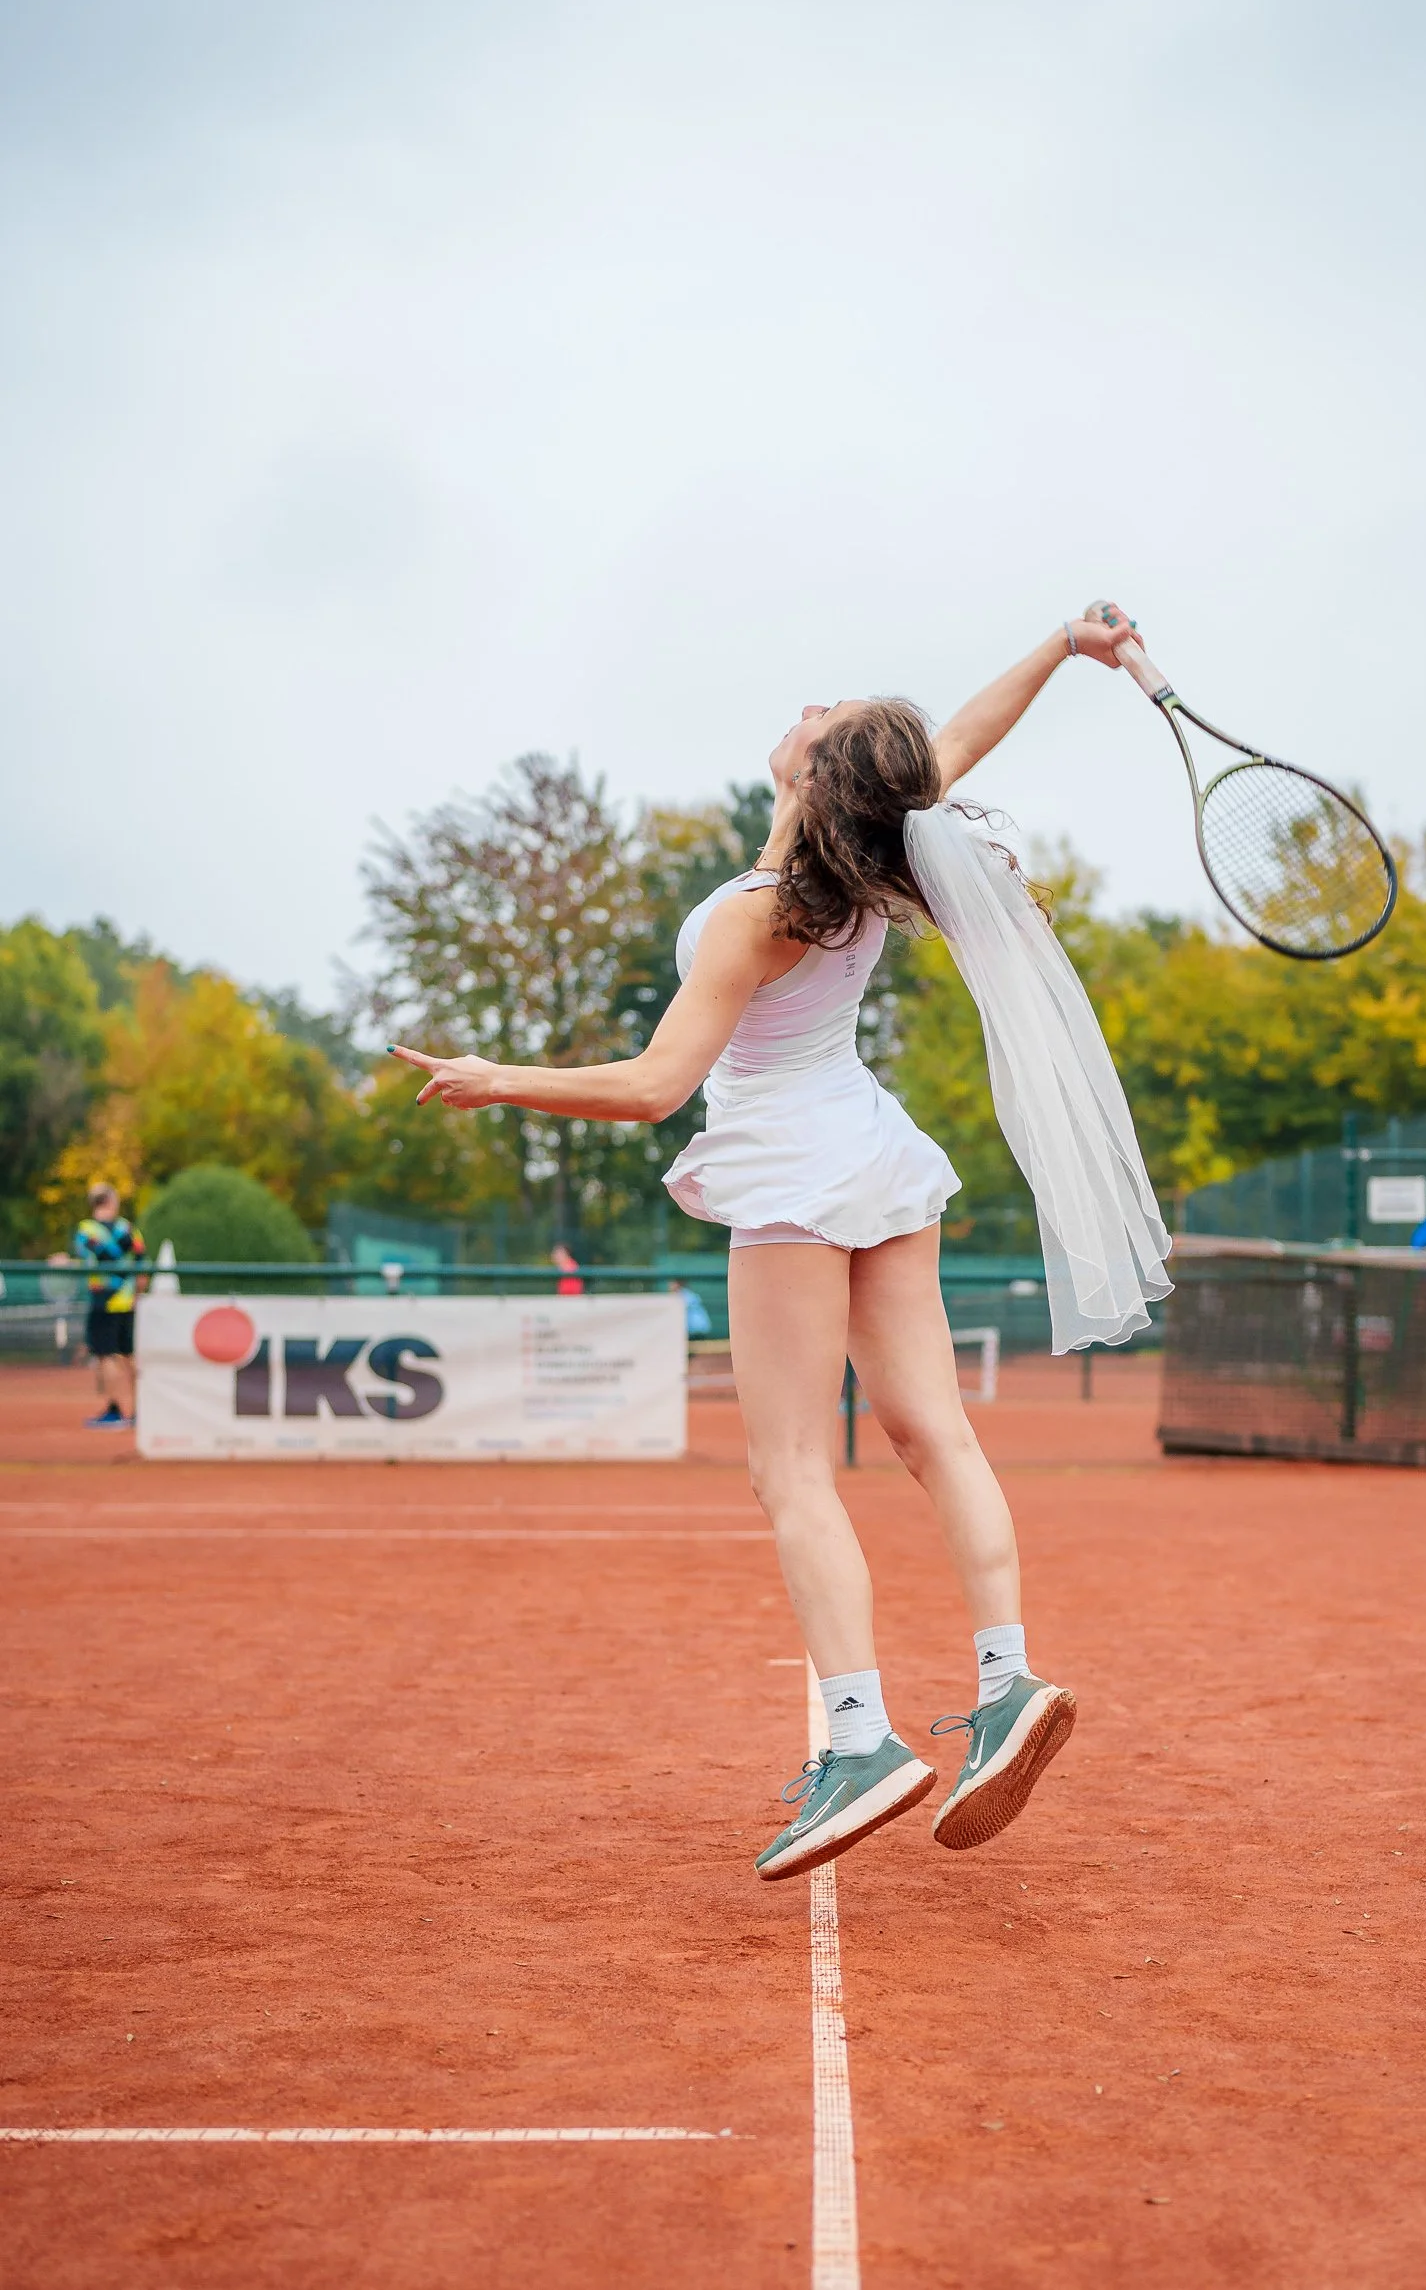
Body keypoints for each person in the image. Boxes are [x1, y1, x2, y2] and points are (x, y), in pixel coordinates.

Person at [393, 603, 1171, 1880]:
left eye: (822, 717)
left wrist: (499, 1077)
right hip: (872, 1156)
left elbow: (655, 1087)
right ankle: (1006, 1676)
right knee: (935, 1433)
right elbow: (947, 747)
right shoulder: (873, 860)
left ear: (816, 777)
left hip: (794, 1174)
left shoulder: (767, 906)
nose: (804, 708)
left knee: (792, 1470)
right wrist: (1057, 646)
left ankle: (860, 1739)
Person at [73, 1183, 146, 1429]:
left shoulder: (87, 1230)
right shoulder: (128, 1228)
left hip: (103, 1300)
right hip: (128, 1300)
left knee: (106, 1356)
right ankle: (140, 1411)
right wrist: (137, 1292)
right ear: (111, 1201)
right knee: (129, 1355)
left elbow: (99, 1256)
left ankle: (115, 1410)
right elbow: (141, 1261)